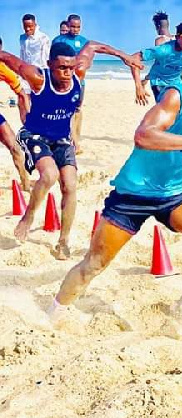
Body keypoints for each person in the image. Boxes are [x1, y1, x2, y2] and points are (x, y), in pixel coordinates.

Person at [50, 44, 182, 329]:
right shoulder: (178, 98)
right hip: (133, 194)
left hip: (174, 194)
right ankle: (54, 313)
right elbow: (144, 136)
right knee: (94, 264)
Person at [0, 41, 141, 260]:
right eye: (61, 68)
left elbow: (93, 46)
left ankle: (63, 241)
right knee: (49, 175)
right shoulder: (38, 79)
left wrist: (124, 55)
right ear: (49, 66)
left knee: (70, 185)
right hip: (34, 135)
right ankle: (28, 216)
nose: (67, 73)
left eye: (70, 67)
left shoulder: (78, 73)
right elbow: (10, 60)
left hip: (62, 139)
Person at [132, 22, 182, 105]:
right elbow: (135, 58)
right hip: (159, 81)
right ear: (177, 37)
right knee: (167, 107)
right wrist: (138, 86)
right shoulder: (164, 50)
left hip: (176, 82)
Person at [53, 14, 89, 156]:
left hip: (79, 82)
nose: (75, 29)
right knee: (62, 110)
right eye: (73, 26)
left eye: (78, 27)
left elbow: (87, 61)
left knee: (77, 110)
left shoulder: (84, 42)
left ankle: (76, 141)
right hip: (62, 82)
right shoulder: (59, 40)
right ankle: (64, 140)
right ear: (68, 25)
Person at [0, 38, 30, 191]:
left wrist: (28, 117)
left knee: (15, 147)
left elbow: (22, 94)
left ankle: (25, 185)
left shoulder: (2, 69)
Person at [20, 14, 51, 121]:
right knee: (23, 99)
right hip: (25, 74)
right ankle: (27, 125)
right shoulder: (22, 38)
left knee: (39, 101)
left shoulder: (43, 38)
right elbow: (22, 56)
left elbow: (46, 58)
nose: (28, 29)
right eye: (25, 26)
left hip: (39, 73)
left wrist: (47, 75)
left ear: (35, 24)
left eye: (30, 26)